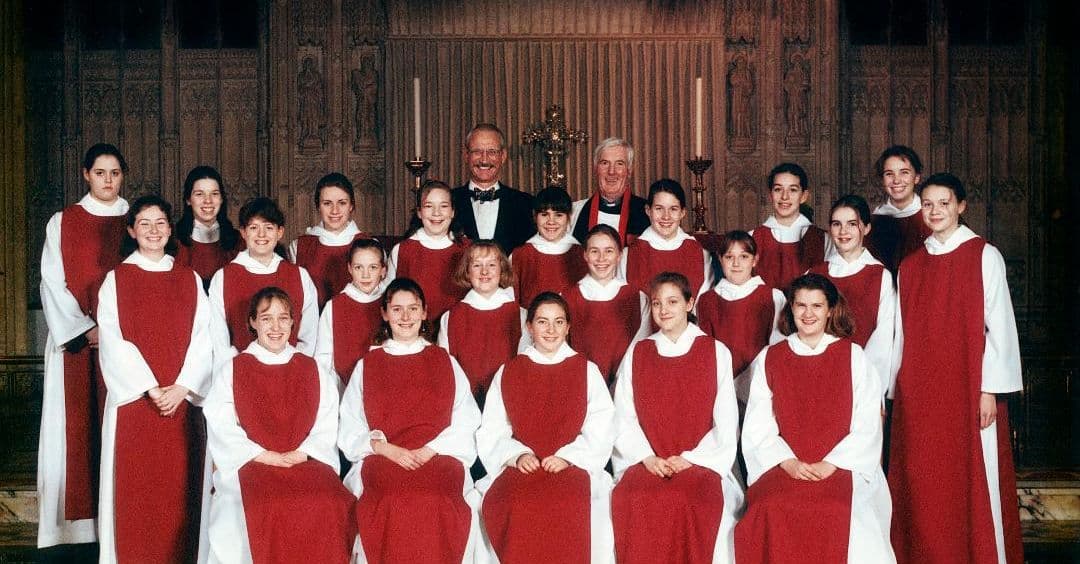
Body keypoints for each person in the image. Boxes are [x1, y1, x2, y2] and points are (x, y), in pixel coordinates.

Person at [889, 173, 1023, 564]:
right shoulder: (910, 266)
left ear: (961, 206)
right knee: (923, 483)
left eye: (943, 203)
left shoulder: (984, 255)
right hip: (920, 393)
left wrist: (989, 390)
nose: (934, 211)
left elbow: (999, 327)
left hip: (969, 389)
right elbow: (902, 336)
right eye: (927, 204)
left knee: (970, 482)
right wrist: (898, 395)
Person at [736, 273, 895, 563]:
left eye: (817, 306)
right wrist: (789, 462)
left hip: (844, 466)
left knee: (840, 508)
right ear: (791, 309)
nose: (808, 314)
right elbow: (759, 425)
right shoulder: (771, 357)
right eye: (801, 306)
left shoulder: (854, 356)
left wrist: (831, 464)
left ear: (831, 310)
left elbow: (867, 425)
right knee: (770, 504)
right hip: (785, 464)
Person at [96, 195, 212, 563]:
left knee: (179, 493)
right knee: (137, 493)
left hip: (181, 403)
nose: (153, 231)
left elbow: (204, 337)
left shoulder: (189, 277)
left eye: (160, 222)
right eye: (144, 223)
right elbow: (113, 339)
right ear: (131, 230)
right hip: (136, 403)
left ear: (170, 229)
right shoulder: (116, 279)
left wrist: (183, 386)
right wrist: (150, 387)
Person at [203, 287, 355, 564]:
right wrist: (264, 455)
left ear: (293, 322)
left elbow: (326, 420)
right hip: (251, 463)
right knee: (267, 505)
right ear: (252, 322)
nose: (276, 327)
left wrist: (302, 453)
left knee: (329, 501)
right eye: (266, 318)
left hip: (306, 461)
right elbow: (222, 424)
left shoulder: (311, 368)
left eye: (283, 318)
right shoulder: (234, 369)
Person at [339, 278, 482, 564]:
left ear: (425, 312)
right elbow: (351, 422)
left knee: (436, 497)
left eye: (413, 309)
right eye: (397, 309)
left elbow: (466, 417)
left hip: (439, 455)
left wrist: (431, 449)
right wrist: (386, 449)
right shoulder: (369, 363)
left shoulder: (445, 360)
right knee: (392, 497)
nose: (405, 317)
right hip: (384, 457)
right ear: (385, 314)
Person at [475, 293, 616, 563]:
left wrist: (568, 456)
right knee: (518, 504)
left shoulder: (586, 370)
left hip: (574, 464)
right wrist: (516, 456)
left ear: (568, 327)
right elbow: (493, 428)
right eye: (542, 322)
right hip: (522, 466)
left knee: (571, 503)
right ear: (529, 327)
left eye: (558, 322)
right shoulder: (510, 371)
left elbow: (601, 424)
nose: (551, 330)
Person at [611, 272, 742, 563]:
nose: (664, 310)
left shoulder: (714, 351)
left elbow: (726, 421)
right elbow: (623, 416)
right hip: (648, 462)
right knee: (633, 499)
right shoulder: (639, 353)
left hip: (699, 463)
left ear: (690, 304)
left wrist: (691, 459)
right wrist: (647, 457)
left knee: (685, 500)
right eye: (657, 303)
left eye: (672, 301)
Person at [38, 142, 130, 547]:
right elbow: (52, 281)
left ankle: (117, 521)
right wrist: (84, 329)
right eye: (100, 173)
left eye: (114, 173)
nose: (108, 180)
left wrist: (112, 331)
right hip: (75, 345)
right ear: (85, 174)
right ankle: (74, 534)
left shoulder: (137, 220)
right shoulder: (63, 221)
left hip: (124, 347)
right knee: (74, 432)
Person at [208, 197, 319, 362]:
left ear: (280, 232)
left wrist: (294, 365)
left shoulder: (299, 276)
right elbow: (219, 340)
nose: (261, 234)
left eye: (269, 227)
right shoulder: (223, 278)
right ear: (243, 232)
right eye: (254, 227)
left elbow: (309, 336)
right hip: (241, 371)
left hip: (291, 370)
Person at [810, 195, 896, 391]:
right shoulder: (815, 274)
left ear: (866, 228)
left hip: (863, 382)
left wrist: (870, 389)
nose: (843, 231)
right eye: (836, 224)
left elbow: (883, 341)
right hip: (817, 378)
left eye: (851, 224)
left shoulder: (880, 276)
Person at [695, 230, 786, 401]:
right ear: (720, 259)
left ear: (754, 260)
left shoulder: (773, 297)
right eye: (729, 257)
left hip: (762, 388)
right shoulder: (706, 301)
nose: (736, 264)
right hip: (720, 388)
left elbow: (778, 348)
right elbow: (705, 352)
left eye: (744, 256)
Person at [438, 241, 527, 403]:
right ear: (467, 271)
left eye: (492, 265)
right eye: (477, 265)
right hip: (464, 404)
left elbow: (525, 369)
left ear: (502, 270)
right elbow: (446, 370)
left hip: (509, 401)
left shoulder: (520, 315)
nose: (484, 271)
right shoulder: (451, 317)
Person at [562, 224, 650, 385]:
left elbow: (642, 346)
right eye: (594, 251)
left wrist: (620, 382)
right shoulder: (566, 298)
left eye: (609, 251)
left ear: (619, 255)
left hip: (626, 383)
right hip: (579, 383)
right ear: (585, 255)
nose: (601, 258)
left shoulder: (637, 297)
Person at [389, 180, 470, 322]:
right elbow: (389, 299)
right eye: (428, 206)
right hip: (414, 335)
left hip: (460, 330)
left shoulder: (468, 249)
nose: (436, 213)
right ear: (419, 212)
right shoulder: (403, 251)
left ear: (452, 212)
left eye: (443, 206)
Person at [314, 238, 388, 394]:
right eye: (358, 267)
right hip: (343, 389)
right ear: (349, 268)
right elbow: (324, 357)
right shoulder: (334, 306)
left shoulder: (390, 303)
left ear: (383, 270)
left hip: (385, 386)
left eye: (373, 267)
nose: (365, 274)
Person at [288, 172, 370, 308]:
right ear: (318, 206)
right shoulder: (299, 247)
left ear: (351, 206)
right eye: (327, 203)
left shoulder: (369, 245)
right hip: (314, 325)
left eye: (342, 203)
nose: (335, 211)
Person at [450, 123, 535, 255]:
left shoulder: (526, 204)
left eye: (492, 152)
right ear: (466, 155)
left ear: (503, 156)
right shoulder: (447, 203)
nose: (484, 159)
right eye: (477, 151)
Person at [622, 179, 714, 298]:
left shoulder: (699, 253)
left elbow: (703, 304)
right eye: (659, 208)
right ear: (648, 210)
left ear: (683, 212)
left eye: (673, 209)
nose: (666, 216)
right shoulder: (629, 254)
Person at [750, 162, 831, 291]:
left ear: (803, 196)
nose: (784, 196)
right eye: (778, 189)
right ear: (770, 194)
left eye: (793, 190)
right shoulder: (752, 238)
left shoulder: (824, 240)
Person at [510, 186, 588, 307]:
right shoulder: (520, 255)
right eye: (544, 214)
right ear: (535, 216)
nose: (551, 222)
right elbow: (511, 302)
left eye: (558, 215)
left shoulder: (581, 255)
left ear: (569, 217)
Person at [865, 145, 932, 275]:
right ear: (882, 179)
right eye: (889, 174)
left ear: (917, 177)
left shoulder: (933, 216)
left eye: (904, 172)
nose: (896, 180)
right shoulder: (873, 221)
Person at [570, 137, 650, 245]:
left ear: (629, 171)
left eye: (619, 163)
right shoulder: (574, 212)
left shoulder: (649, 213)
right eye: (605, 163)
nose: (611, 171)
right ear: (595, 169)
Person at [174, 165, 242, 289]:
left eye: (214, 194)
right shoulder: (174, 240)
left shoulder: (238, 241)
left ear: (221, 199)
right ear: (188, 199)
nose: (208, 200)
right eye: (199, 194)